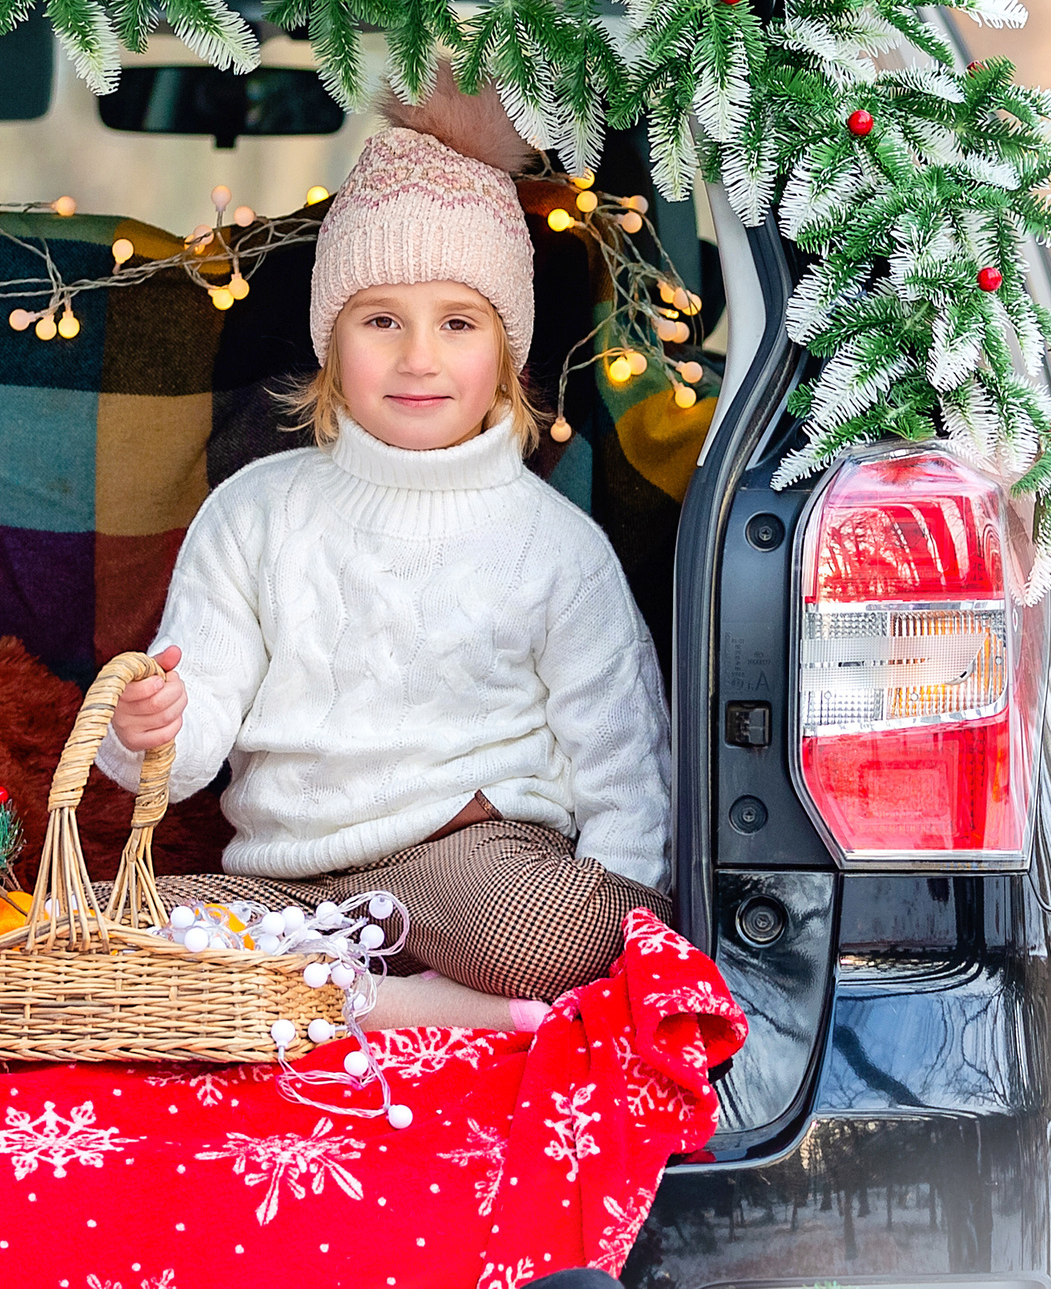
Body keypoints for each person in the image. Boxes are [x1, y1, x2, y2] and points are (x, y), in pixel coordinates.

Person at [100, 71, 672, 1033]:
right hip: (292, 886)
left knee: (550, 928)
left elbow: (624, 766)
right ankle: (430, 1012)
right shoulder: (257, 515)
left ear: (506, 349)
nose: (418, 358)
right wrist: (143, 729)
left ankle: (349, 1003)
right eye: (381, 321)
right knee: (134, 936)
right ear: (332, 343)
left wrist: (625, 934)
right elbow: (186, 755)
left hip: (472, 868)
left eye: (457, 323)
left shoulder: (555, 546)